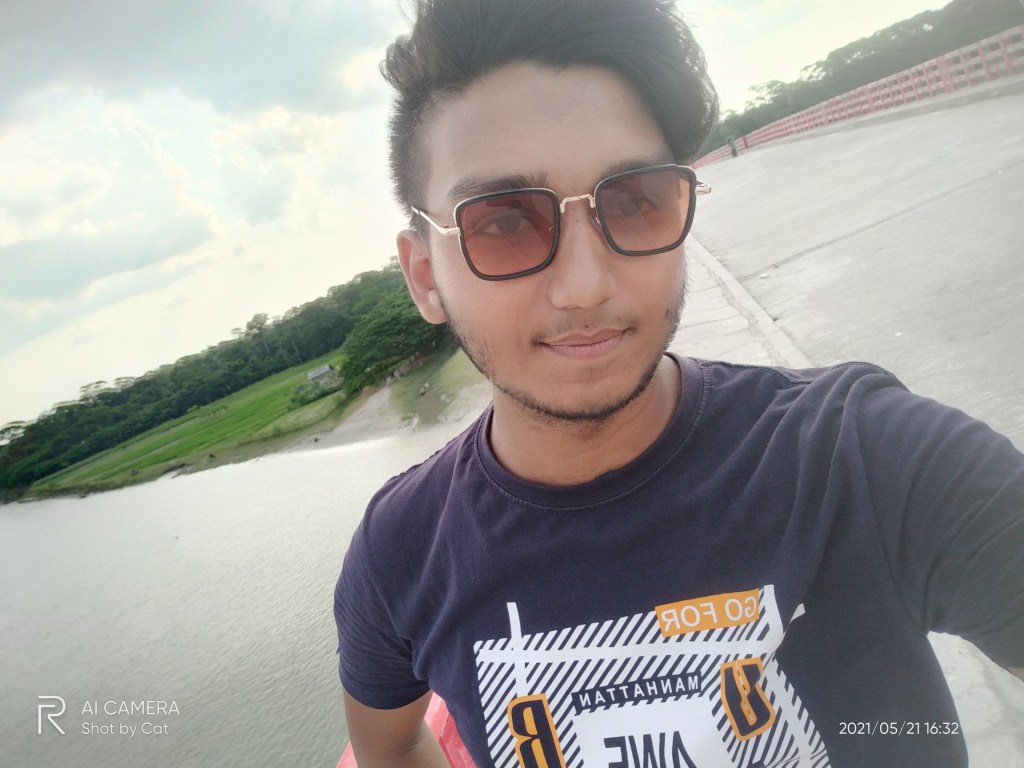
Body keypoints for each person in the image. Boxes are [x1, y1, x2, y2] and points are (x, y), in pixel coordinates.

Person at [333, 1, 1024, 766]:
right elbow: (391, 746)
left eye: (634, 202)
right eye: (503, 223)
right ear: (425, 277)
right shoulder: (400, 553)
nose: (586, 285)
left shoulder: (864, 459)